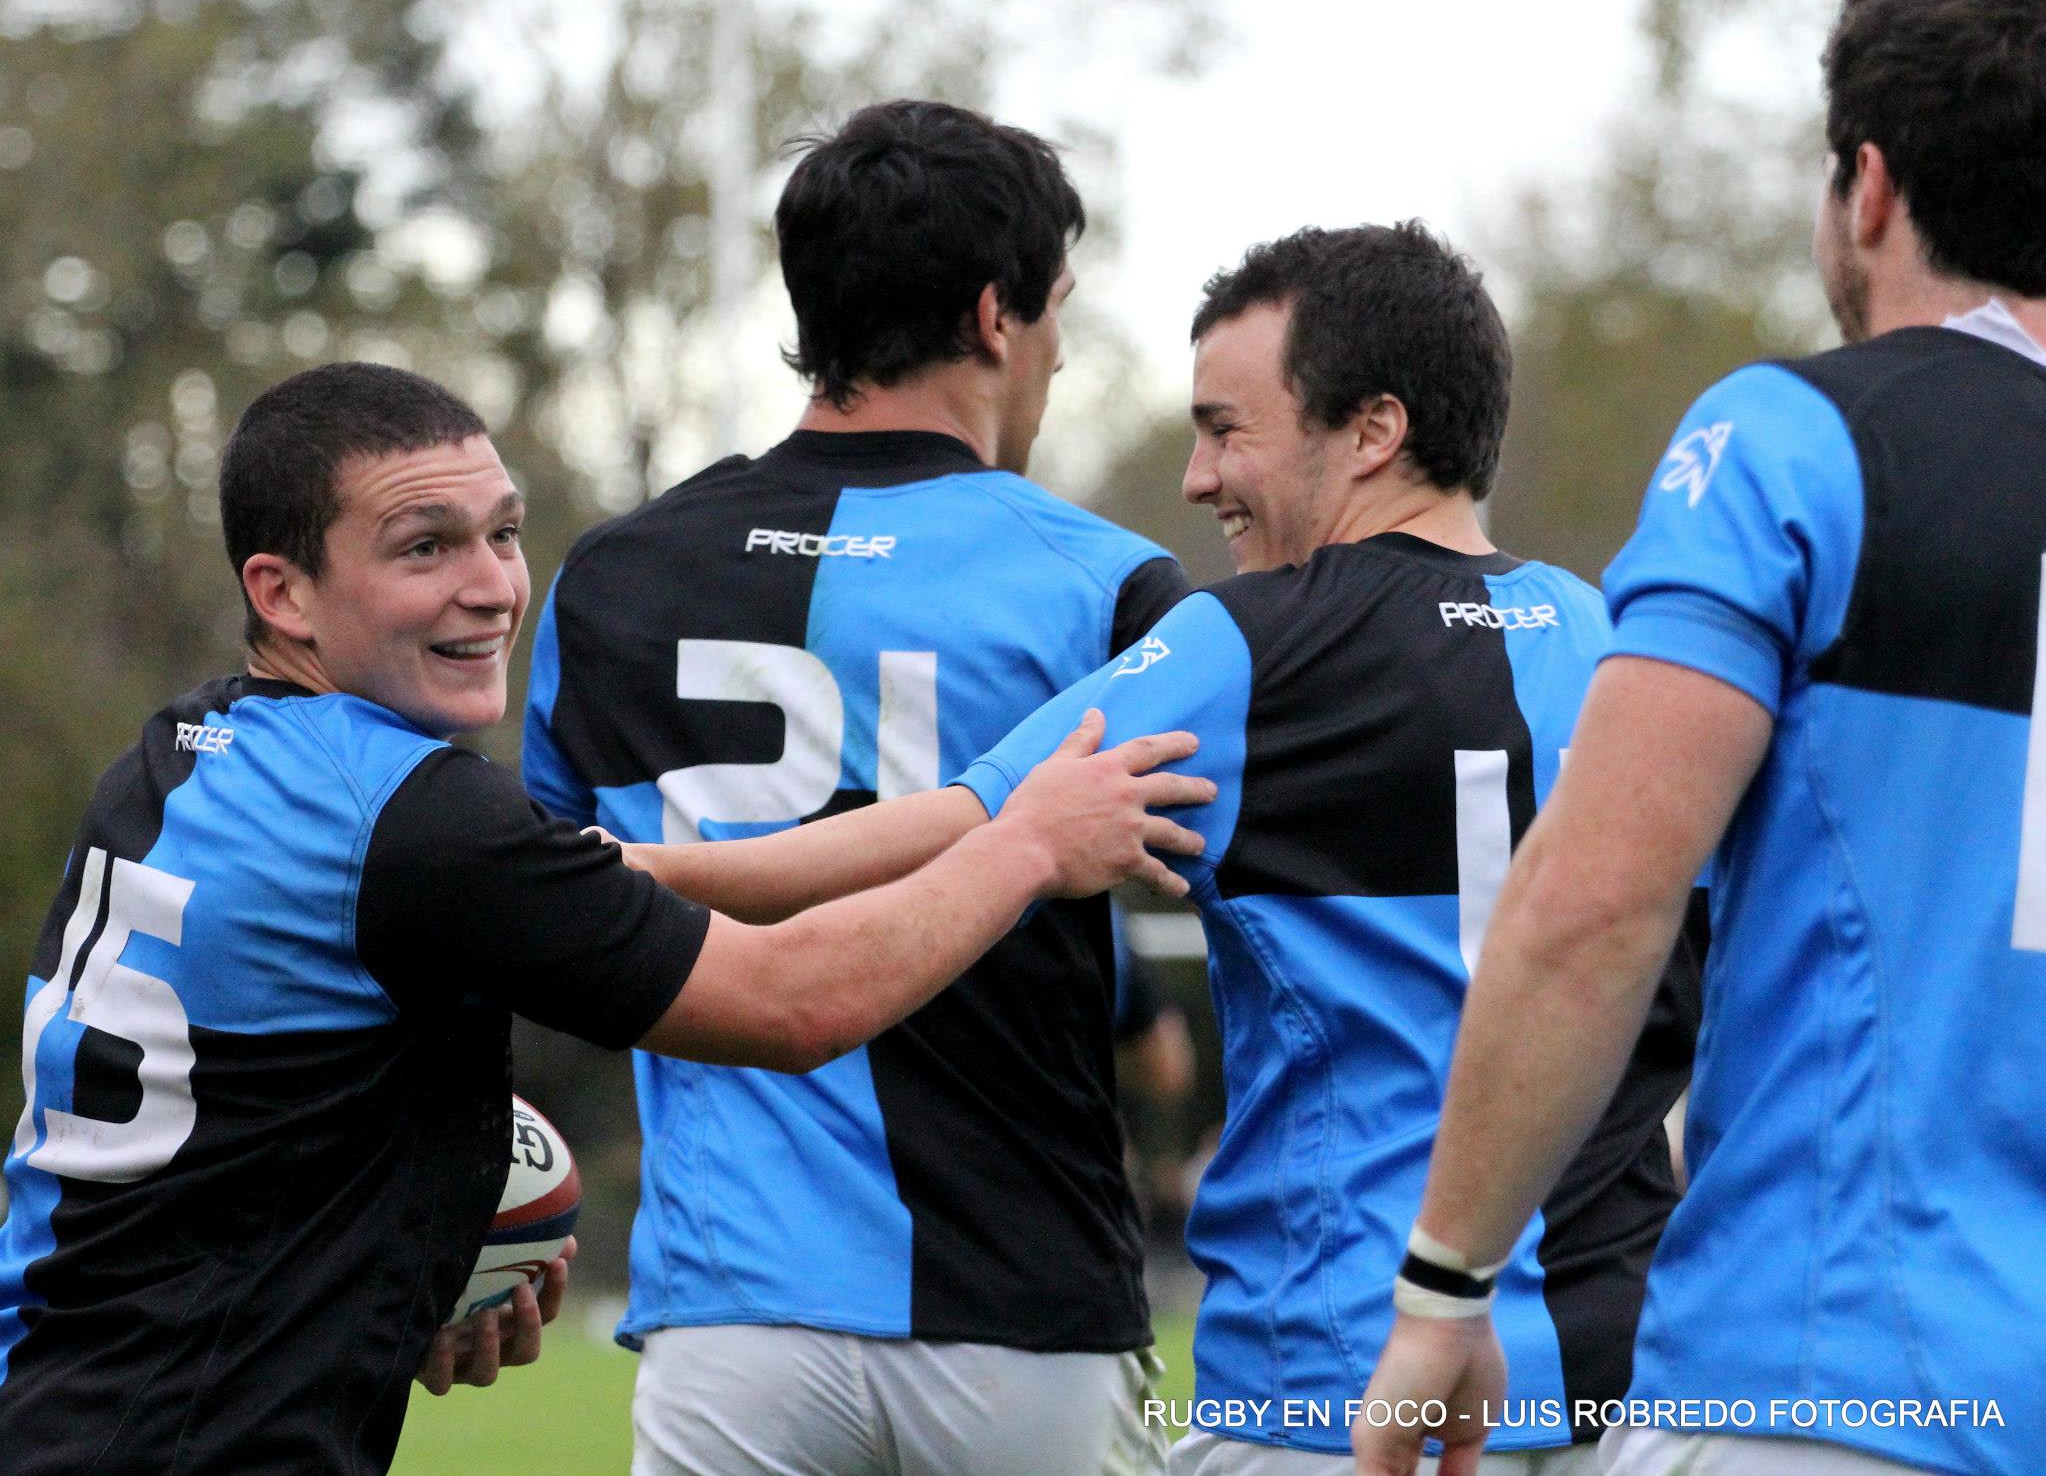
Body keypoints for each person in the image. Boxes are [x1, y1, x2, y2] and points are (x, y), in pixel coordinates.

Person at [620, 223, 1703, 1475]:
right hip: (1624, 1397)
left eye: (1225, 428)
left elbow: (945, 836)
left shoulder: (1248, 648)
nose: (1195, 477)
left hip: (1341, 1392)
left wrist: (647, 870)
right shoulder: (1631, 644)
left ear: (1372, 431)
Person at [0, 361, 1209, 1476]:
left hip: (60, 1395)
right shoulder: (419, 821)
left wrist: (385, 1253)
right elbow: (795, 1002)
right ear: (284, 591)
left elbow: (264, 1089)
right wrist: (1029, 845)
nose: (490, 586)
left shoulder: (178, 753)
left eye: (505, 533)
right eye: (426, 548)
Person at [1353, 0, 2046, 1476]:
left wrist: (1447, 1281)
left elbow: (1599, 902)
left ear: (1866, 188)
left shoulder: (1794, 439)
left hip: (1844, 1375)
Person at [523, 99, 1191, 1476]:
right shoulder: (1111, 586)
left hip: (733, 1314)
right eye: (1059, 309)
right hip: (1023, 1303)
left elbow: (542, 905)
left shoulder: (612, 576)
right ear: (1000, 314)